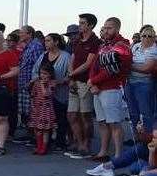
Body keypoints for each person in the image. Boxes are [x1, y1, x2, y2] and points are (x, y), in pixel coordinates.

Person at [88, 17, 131, 162]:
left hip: (112, 89)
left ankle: (119, 155)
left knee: (114, 123)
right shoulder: (103, 46)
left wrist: (93, 81)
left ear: (117, 29)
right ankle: (103, 151)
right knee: (101, 122)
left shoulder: (122, 46)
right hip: (98, 89)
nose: (106, 30)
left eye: (110, 28)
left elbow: (111, 70)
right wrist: (93, 83)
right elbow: (95, 65)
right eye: (105, 27)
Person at [66, 14, 100, 159]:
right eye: (80, 23)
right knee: (72, 115)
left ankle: (86, 144)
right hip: (75, 81)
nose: (80, 25)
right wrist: (71, 76)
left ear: (90, 25)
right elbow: (72, 58)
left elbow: (88, 63)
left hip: (86, 82)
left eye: (83, 23)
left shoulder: (95, 41)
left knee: (85, 115)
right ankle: (78, 142)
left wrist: (72, 74)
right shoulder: (78, 40)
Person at [31, 34, 71, 152]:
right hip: (42, 96)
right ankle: (43, 145)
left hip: (59, 93)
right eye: (45, 41)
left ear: (56, 42)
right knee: (42, 121)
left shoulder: (65, 57)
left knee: (60, 118)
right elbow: (35, 70)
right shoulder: (43, 55)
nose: (45, 43)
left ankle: (60, 142)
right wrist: (37, 80)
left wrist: (59, 81)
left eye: (48, 41)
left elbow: (71, 74)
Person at [126, 24, 157, 132]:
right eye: (144, 36)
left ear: (154, 38)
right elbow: (128, 59)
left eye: (150, 36)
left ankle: (148, 141)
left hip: (144, 84)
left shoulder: (154, 50)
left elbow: (146, 68)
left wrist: (129, 66)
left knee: (146, 113)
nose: (147, 38)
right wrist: (131, 65)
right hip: (130, 83)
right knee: (133, 112)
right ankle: (136, 138)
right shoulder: (135, 46)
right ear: (141, 36)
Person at [16, 25, 44, 138]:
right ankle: (30, 135)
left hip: (30, 83)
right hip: (24, 83)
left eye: (22, 33)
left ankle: (35, 137)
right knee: (26, 111)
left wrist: (33, 82)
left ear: (29, 34)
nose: (20, 35)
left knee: (32, 110)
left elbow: (38, 66)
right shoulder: (28, 46)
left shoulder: (36, 46)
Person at [28, 64, 57, 154]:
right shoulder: (37, 83)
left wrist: (43, 85)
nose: (42, 76)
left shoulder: (52, 83)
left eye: (45, 74)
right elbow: (33, 94)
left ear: (50, 74)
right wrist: (32, 104)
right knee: (37, 129)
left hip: (46, 109)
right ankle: (39, 146)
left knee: (45, 129)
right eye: (41, 73)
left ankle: (44, 148)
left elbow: (47, 94)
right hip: (37, 108)